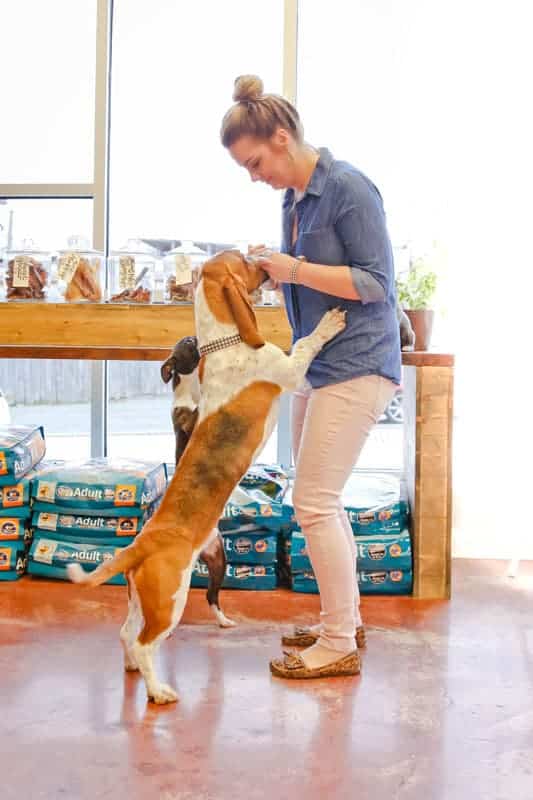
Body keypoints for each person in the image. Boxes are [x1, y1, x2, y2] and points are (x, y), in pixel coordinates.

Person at [220, 75, 401, 679]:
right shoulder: (292, 200)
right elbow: (307, 276)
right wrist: (272, 271)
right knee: (322, 502)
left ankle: (338, 642)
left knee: (314, 501)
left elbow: (375, 283)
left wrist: (293, 266)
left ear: (281, 136)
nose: (254, 176)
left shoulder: (349, 189)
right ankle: (341, 622)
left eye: (255, 162)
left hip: (357, 364)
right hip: (318, 363)